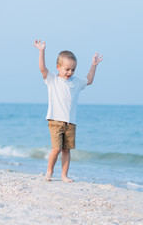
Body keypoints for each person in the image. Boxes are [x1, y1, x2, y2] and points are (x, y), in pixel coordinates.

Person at [33, 40, 103, 182]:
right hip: (55, 120)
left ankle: (64, 175)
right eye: (67, 69)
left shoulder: (76, 81)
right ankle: (49, 172)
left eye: (73, 69)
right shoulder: (52, 79)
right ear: (58, 67)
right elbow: (42, 68)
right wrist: (42, 51)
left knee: (66, 150)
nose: (70, 72)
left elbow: (89, 80)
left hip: (70, 123)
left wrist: (94, 65)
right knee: (56, 148)